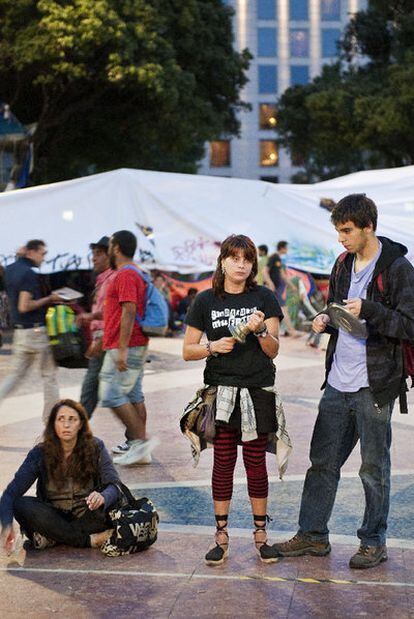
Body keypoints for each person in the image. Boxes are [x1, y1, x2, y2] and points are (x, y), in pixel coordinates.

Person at [273, 194, 414, 569]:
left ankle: (373, 541)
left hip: (376, 384)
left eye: (347, 230)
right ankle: (313, 535)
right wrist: (324, 318)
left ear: (368, 226)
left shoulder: (397, 268)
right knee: (322, 461)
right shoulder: (342, 264)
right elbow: (336, 306)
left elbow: (409, 325)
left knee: (373, 468)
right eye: (338, 231)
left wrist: (370, 310)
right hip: (338, 381)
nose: (341, 238)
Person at [183, 234, 284, 565]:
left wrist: (260, 332)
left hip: (257, 389)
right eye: (235, 257)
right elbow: (188, 350)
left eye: (247, 259)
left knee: (255, 462)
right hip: (221, 389)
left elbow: (273, 350)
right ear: (223, 261)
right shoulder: (205, 301)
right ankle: (221, 535)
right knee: (223, 461)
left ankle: (260, 536)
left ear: (253, 264)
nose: (241, 264)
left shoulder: (265, 298)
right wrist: (214, 347)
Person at [0, 399, 121, 553]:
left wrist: (103, 496)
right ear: (53, 424)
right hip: (53, 517)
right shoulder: (39, 453)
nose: (66, 425)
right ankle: (88, 540)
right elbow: (11, 494)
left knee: (111, 506)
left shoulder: (96, 446)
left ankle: (54, 537)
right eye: (60, 419)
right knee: (20, 504)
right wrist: (6, 525)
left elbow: (115, 486)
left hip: (89, 517)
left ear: (81, 424)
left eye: (72, 419)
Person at [99, 230, 157, 466]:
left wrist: (122, 348)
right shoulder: (135, 272)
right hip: (133, 343)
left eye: (111, 244)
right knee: (133, 395)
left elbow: (129, 309)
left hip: (127, 345)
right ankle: (139, 448)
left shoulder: (125, 274)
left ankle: (141, 442)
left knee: (111, 394)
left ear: (116, 248)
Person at [0, 240, 61, 422]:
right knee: (49, 376)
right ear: (31, 252)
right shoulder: (29, 274)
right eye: (42, 254)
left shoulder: (9, 270)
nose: (43, 258)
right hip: (36, 332)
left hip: (20, 333)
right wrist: (50, 298)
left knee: (14, 376)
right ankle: (51, 421)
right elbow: (24, 306)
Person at [77, 236, 116, 418]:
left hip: (105, 339)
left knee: (91, 388)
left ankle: (77, 431)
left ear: (110, 256)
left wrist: (100, 339)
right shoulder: (102, 279)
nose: (94, 258)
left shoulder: (112, 279)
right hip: (102, 338)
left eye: (99, 254)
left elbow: (113, 314)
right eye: (93, 254)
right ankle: (135, 437)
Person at [263, 241, 301, 337]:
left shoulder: (278, 259)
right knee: (283, 309)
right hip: (272, 289)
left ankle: (289, 331)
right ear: (282, 248)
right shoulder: (274, 257)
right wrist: (270, 283)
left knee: (280, 309)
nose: (287, 250)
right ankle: (292, 331)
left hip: (275, 289)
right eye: (286, 247)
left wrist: (292, 286)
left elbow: (282, 274)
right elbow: (264, 271)